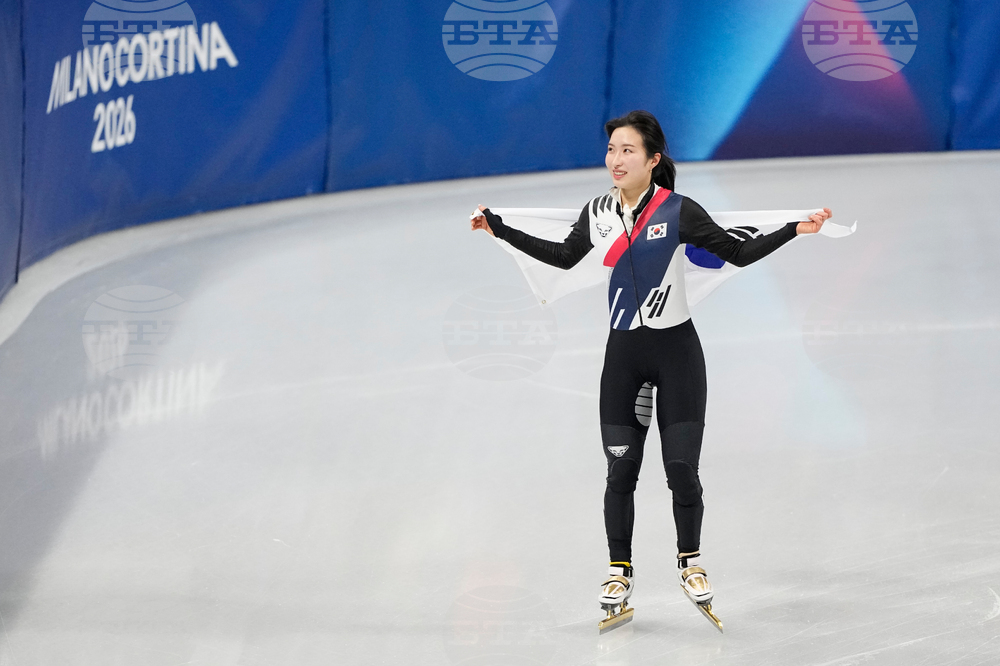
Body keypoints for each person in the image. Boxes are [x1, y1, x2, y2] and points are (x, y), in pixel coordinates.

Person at [470, 110, 832, 622]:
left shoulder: (679, 210)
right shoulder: (596, 211)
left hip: (677, 355)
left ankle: (691, 561)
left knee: (681, 471)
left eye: (627, 151)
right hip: (624, 358)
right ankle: (620, 569)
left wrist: (795, 229)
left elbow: (738, 252)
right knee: (621, 470)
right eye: (612, 149)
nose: (615, 160)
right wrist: (499, 229)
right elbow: (562, 255)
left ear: (653, 159)